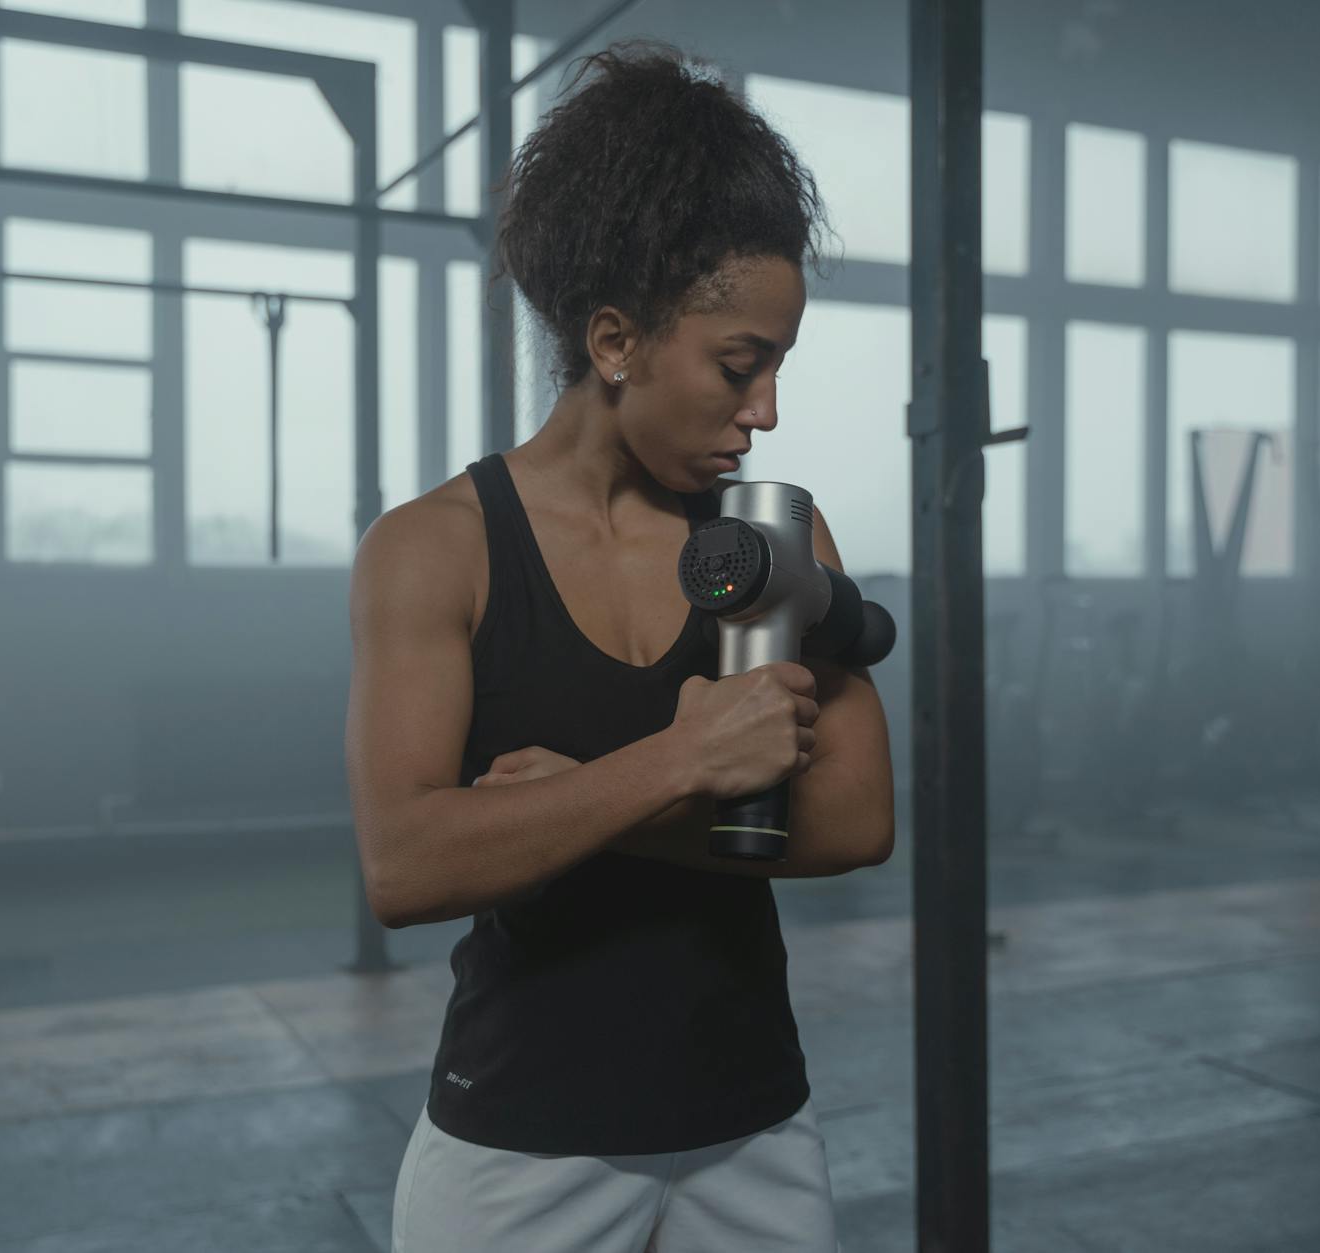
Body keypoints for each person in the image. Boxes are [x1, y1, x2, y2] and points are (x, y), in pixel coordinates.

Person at [345, 38, 895, 1253]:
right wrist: (677, 763)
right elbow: (405, 865)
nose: (765, 411)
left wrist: (575, 809)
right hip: (517, 1146)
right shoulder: (436, 549)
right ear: (614, 341)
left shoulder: (775, 538)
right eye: (738, 366)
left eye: (776, 367)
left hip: (752, 1126)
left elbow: (857, 822)